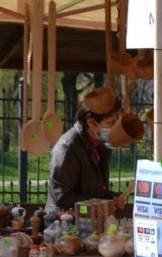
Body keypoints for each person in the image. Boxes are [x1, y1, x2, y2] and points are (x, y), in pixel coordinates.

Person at [46, 85, 122, 213]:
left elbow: (94, 191)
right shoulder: (67, 148)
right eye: (110, 122)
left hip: (90, 220)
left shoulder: (98, 145)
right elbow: (63, 198)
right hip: (65, 221)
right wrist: (103, 203)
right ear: (91, 123)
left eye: (117, 120)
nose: (115, 126)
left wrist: (112, 198)